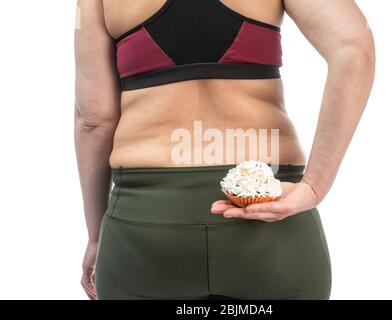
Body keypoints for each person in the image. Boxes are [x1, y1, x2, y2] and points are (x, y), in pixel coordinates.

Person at [75, 0, 375, 300]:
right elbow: (353, 48)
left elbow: (93, 121)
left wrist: (96, 236)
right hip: (271, 221)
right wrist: (314, 186)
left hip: (145, 227)